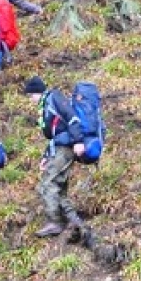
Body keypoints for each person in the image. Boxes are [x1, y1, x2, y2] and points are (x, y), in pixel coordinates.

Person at [25, 76, 88, 239]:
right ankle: (76, 223)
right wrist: (47, 156)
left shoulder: (54, 97)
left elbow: (72, 118)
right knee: (58, 187)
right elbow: (55, 134)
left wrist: (78, 141)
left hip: (66, 147)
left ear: (37, 92)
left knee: (49, 183)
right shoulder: (46, 103)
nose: (30, 99)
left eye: (31, 95)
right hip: (59, 147)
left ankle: (55, 221)